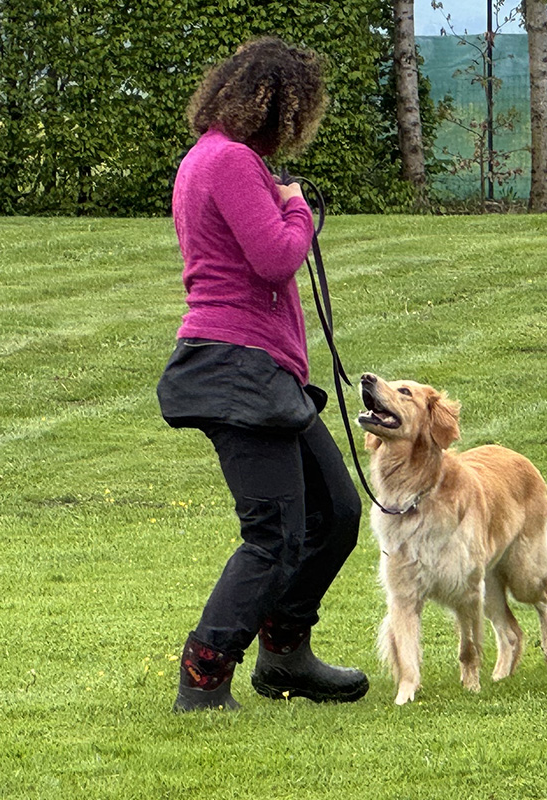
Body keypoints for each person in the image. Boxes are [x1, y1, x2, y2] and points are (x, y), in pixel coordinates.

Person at [157, 36, 367, 712]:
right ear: (277, 105)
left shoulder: (209, 157)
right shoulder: (230, 160)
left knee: (334, 511)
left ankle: (284, 655)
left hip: (260, 369)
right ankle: (204, 679)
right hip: (236, 368)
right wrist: (298, 205)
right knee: (274, 535)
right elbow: (277, 256)